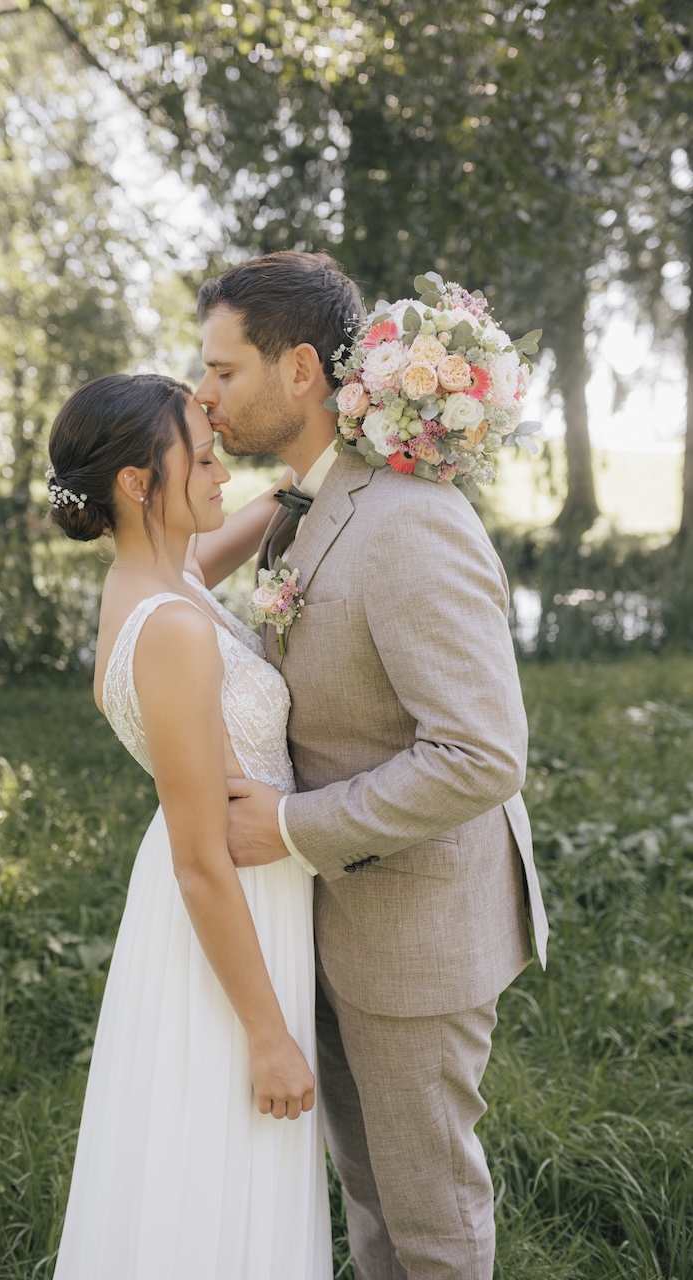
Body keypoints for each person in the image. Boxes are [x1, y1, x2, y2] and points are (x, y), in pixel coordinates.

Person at [195, 250, 550, 1280]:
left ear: (300, 369)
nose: (204, 394)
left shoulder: (409, 523)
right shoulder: (307, 504)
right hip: (331, 922)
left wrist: (289, 828)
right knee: (370, 1201)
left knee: (429, 1221)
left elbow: (480, 754)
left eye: (223, 370)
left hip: (415, 931)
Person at [46, 372, 332, 1279]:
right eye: (202, 462)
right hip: (228, 912)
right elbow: (201, 858)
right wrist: (269, 1035)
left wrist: (315, 472)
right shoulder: (169, 625)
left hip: (244, 900)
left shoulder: (164, 581)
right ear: (137, 482)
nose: (221, 474)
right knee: (218, 1171)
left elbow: (218, 548)